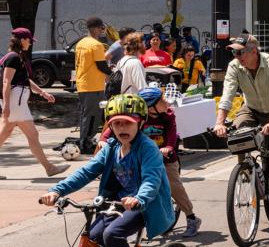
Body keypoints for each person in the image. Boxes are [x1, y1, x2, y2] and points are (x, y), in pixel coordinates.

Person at [40, 94, 174, 247]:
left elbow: (151, 180)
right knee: (94, 236)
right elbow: (85, 172)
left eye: (128, 123)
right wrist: (57, 191)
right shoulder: (111, 148)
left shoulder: (148, 149)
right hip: (115, 204)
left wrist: (139, 199)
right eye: (117, 123)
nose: (122, 128)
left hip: (144, 205)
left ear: (141, 123)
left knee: (112, 234)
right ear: (110, 126)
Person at [98, 88, 201, 237]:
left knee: (174, 187)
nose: (166, 103)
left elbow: (172, 134)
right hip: (139, 159)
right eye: (161, 101)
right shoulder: (138, 117)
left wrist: (169, 147)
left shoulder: (168, 116)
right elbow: (111, 128)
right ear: (150, 105)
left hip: (165, 160)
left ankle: (191, 217)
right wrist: (102, 140)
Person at [211, 34, 269, 220]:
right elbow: (227, 95)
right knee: (238, 133)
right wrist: (219, 122)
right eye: (233, 52)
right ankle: (246, 171)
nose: (236, 56)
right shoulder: (235, 66)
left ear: (253, 52)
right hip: (252, 108)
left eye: (239, 52)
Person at [0, 28, 68, 177]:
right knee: (32, 134)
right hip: (15, 100)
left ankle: (49, 167)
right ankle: (49, 168)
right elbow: (6, 81)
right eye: (29, 40)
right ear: (22, 40)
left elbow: (26, 80)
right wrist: (6, 105)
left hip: (16, 100)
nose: (30, 43)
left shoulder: (17, 57)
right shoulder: (13, 57)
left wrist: (42, 92)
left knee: (4, 134)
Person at [74, 17, 112, 154]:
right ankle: (86, 142)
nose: (102, 31)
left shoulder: (81, 42)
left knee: (86, 114)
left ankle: (84, 140)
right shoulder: (96, 45)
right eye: (102, 28)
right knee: (92, 115)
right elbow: (101, 65)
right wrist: (113, 72)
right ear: (96, 28)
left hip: (83, 82)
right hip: (93, 85)